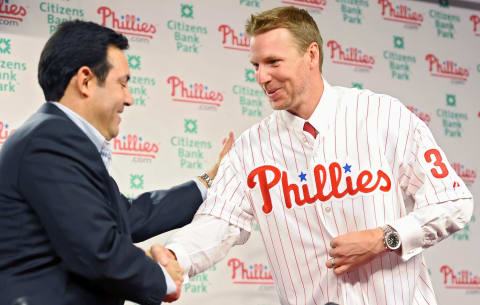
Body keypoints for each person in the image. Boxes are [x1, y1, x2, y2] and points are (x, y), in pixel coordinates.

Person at [164, 6, 474, 305]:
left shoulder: (383, 116)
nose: (261, 77)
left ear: (311, 55)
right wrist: (176, 257)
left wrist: (385, 238)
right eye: (256, 66)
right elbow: (219, 220)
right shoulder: (250, 149)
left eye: (273, 62)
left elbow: (454, 202)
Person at [0, 20, 233, 305]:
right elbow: (97, 249)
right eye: (122, 83)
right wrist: (163, 277)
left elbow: (129, 215)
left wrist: (209, 181)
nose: (129, 98)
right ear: (85, 81)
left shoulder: (58, 138)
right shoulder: (50, 141)